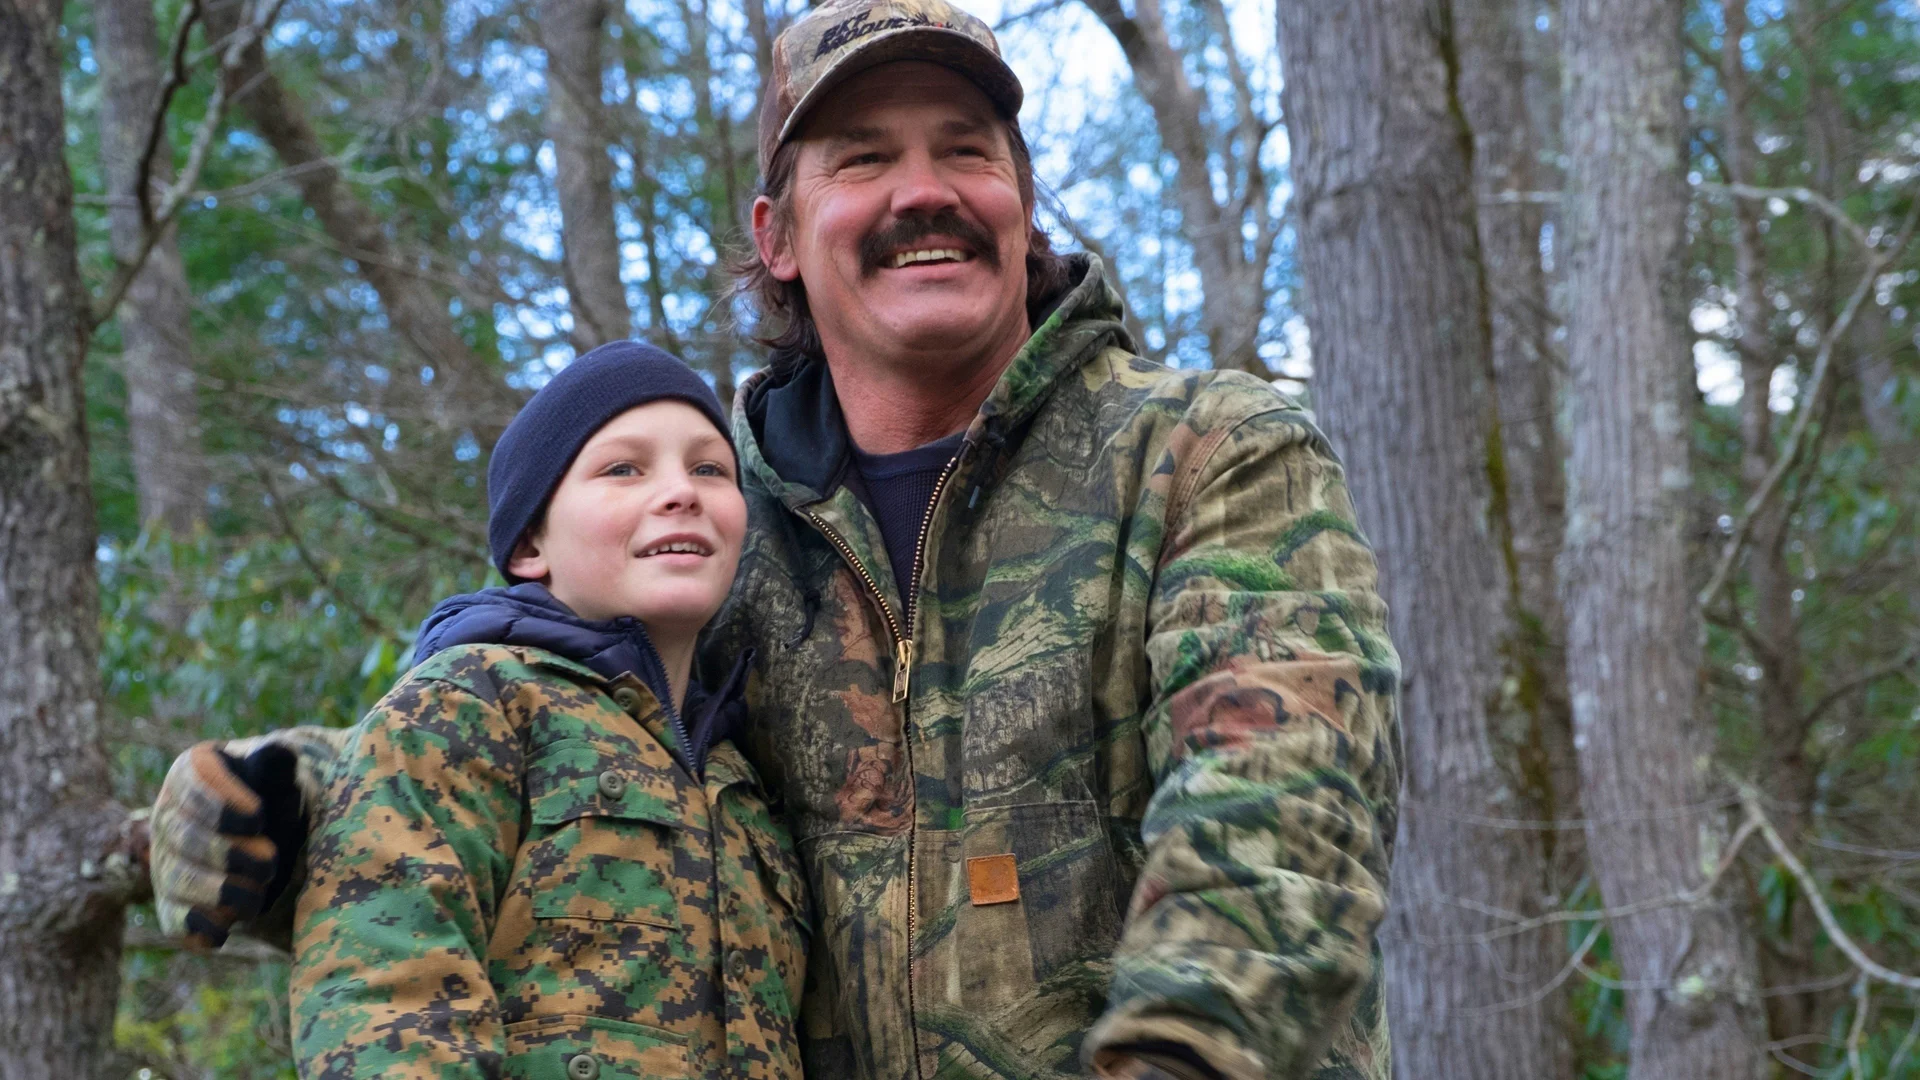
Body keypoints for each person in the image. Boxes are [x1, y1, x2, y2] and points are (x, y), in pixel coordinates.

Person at [148, 1, 1402, 1077]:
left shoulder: (1207, 451)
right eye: (862, 160)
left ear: (1019, 199)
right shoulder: (721, 516)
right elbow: (564, 719)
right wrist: (294, 797)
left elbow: (1282, 805)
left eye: (966, 151)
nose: (925, 191)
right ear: (779, 237)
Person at [284, 341, 807, 1079]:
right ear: (531, 541)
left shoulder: (746, 779)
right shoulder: (472, 705)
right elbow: (386, 1003)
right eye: (623, 468)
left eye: (709, 468)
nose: (680, 491)